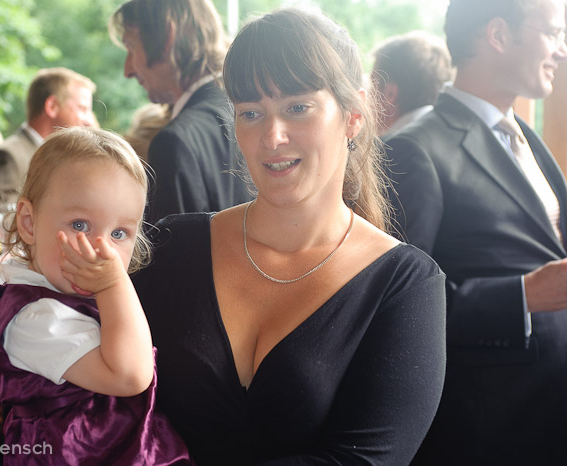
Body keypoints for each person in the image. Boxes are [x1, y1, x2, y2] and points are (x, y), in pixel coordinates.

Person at [128, 8, 447, 465]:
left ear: (354, 115)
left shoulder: (404, 285)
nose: (271, 136)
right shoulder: (173, 248)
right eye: (251, 113)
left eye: (297, 107)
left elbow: (365, 460)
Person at [383, 0, 567, 464]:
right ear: (499, 35)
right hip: (491, 429)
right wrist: (523, 295)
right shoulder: (416, 149)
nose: (561, 52)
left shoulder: (523, 134)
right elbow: (399, 313)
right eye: (552, 33)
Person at [0, 127, 192, 465]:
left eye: (119, 233)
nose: (101, 249)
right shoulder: (36, 317)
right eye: (80, 225)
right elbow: (131, 376)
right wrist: (113, 285)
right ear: (29, 223)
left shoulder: (76, 301)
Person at [109, 0, 252, 222]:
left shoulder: (174, 142)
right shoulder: (245, 114)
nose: (128, 69)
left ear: (166, 37)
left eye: (131, 47)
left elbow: (177, 256)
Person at [0, 67, 96, 226]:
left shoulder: (55, 159)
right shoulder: (8, 156)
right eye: (82, 109)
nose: (88, 120)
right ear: (52, 106)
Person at [371, 30, 454, 137]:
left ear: (390, 94)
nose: (366, 100)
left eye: (371, 87)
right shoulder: (447, 136)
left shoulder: (392, 149)